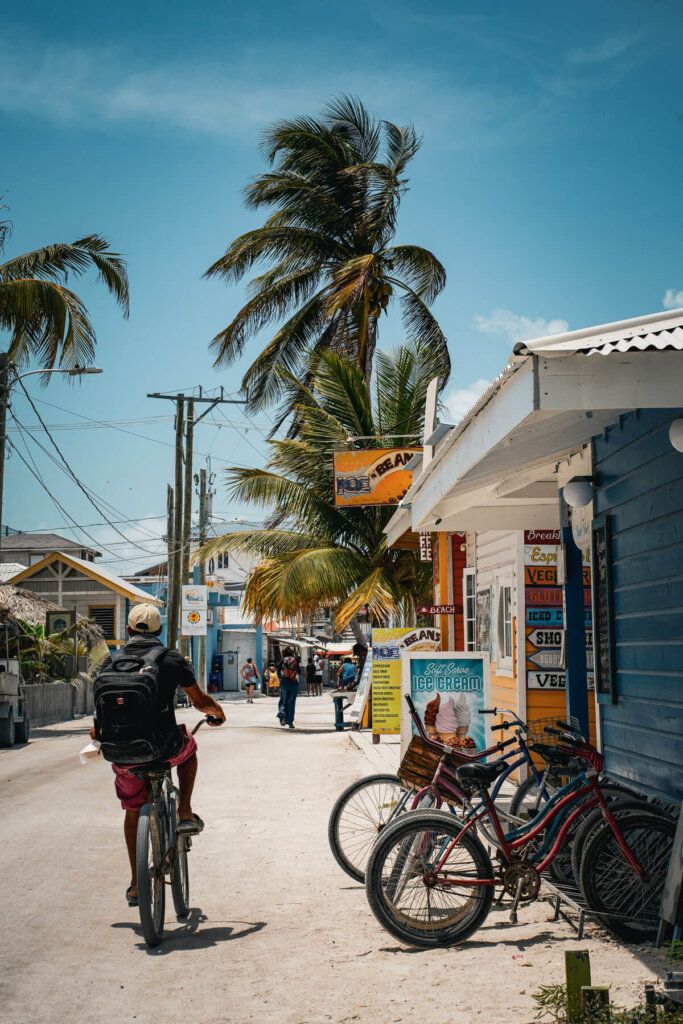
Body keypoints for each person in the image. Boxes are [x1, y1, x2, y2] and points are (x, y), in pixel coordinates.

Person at [91, 603, 226, 908]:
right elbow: (199, 700)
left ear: (127, 631)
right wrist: (216, 712)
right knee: (189, 749)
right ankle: (186, 811)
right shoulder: (171, 659)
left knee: (132, 809)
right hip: (164, 747)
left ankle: (137, 884)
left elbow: (97, 721)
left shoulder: (110, 662)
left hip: (122, 755)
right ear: (160, 631)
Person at [277, 647, 299, 729]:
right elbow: (299, 671)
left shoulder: (282, 660)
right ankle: (290, 722)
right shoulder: (295, 660)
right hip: (293, 682)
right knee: (291, 702)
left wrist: (281, 678)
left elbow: (278, 672)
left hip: (284, 681)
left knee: (283, 700)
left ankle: (282, 715)